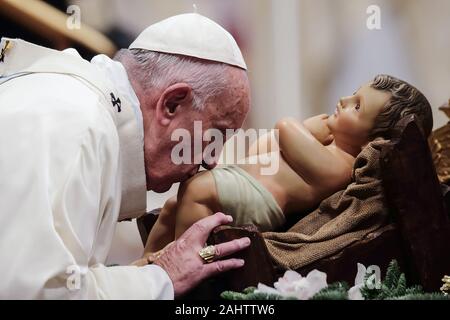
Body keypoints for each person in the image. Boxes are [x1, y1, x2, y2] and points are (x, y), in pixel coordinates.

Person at [0, 13, 251, 299]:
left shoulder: (76, 108)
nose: (212, 160)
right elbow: (31, 291)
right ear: (171, 104)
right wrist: (162, 278)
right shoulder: (74, 120)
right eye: (215, 135)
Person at [144, 74, 433, 254]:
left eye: (356, 106)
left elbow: (283, 127)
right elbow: (268, 144)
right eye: (353, 93)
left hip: (263, 202)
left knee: (198, 188)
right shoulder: (324, 145)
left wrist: (305, 128)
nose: (344, 100)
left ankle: (182, 260)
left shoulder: (340, 166)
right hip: (247, 184)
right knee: (173, 205)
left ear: (372, 141)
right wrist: (311, 132)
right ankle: (150, 259)